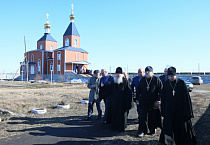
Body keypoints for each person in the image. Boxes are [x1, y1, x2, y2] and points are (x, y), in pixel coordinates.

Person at [159, 67, 197, 145]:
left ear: (175, 75)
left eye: (172, 76)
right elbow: (164, 98)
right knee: (169, 127)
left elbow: (186, 98)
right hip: (170, 110)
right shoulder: (166, 84)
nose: (170, 78)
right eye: (169, 76)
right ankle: (169, 141)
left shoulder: (181, 83)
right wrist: (163, 110)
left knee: (182, 127)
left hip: (180, 110)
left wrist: (187, 111)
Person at [136, 66, 162, 137]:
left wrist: (159, 99)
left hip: (153, 102)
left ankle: (152, 130)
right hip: (143, 102)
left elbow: (161, 90)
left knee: (152, 117)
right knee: (143, 117)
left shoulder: (156, 80)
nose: (147, 73)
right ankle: (143, 131)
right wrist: (137, 99)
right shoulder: (142, 80)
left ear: (152, 72)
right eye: (146, 72)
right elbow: (138, 90)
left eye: (149, 72)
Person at [110, 67, 132, 132]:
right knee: (115, 114)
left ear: (121, 74)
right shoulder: (113, 81)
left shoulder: (125, 81)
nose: (117, 75)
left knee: (122, 115)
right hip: (115, 102)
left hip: (123, 102)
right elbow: (110, 91)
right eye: (116, 74)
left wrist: (128, 102)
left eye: (119, 74)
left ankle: (122, 128)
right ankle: (114, 127)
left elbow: (128, 92)